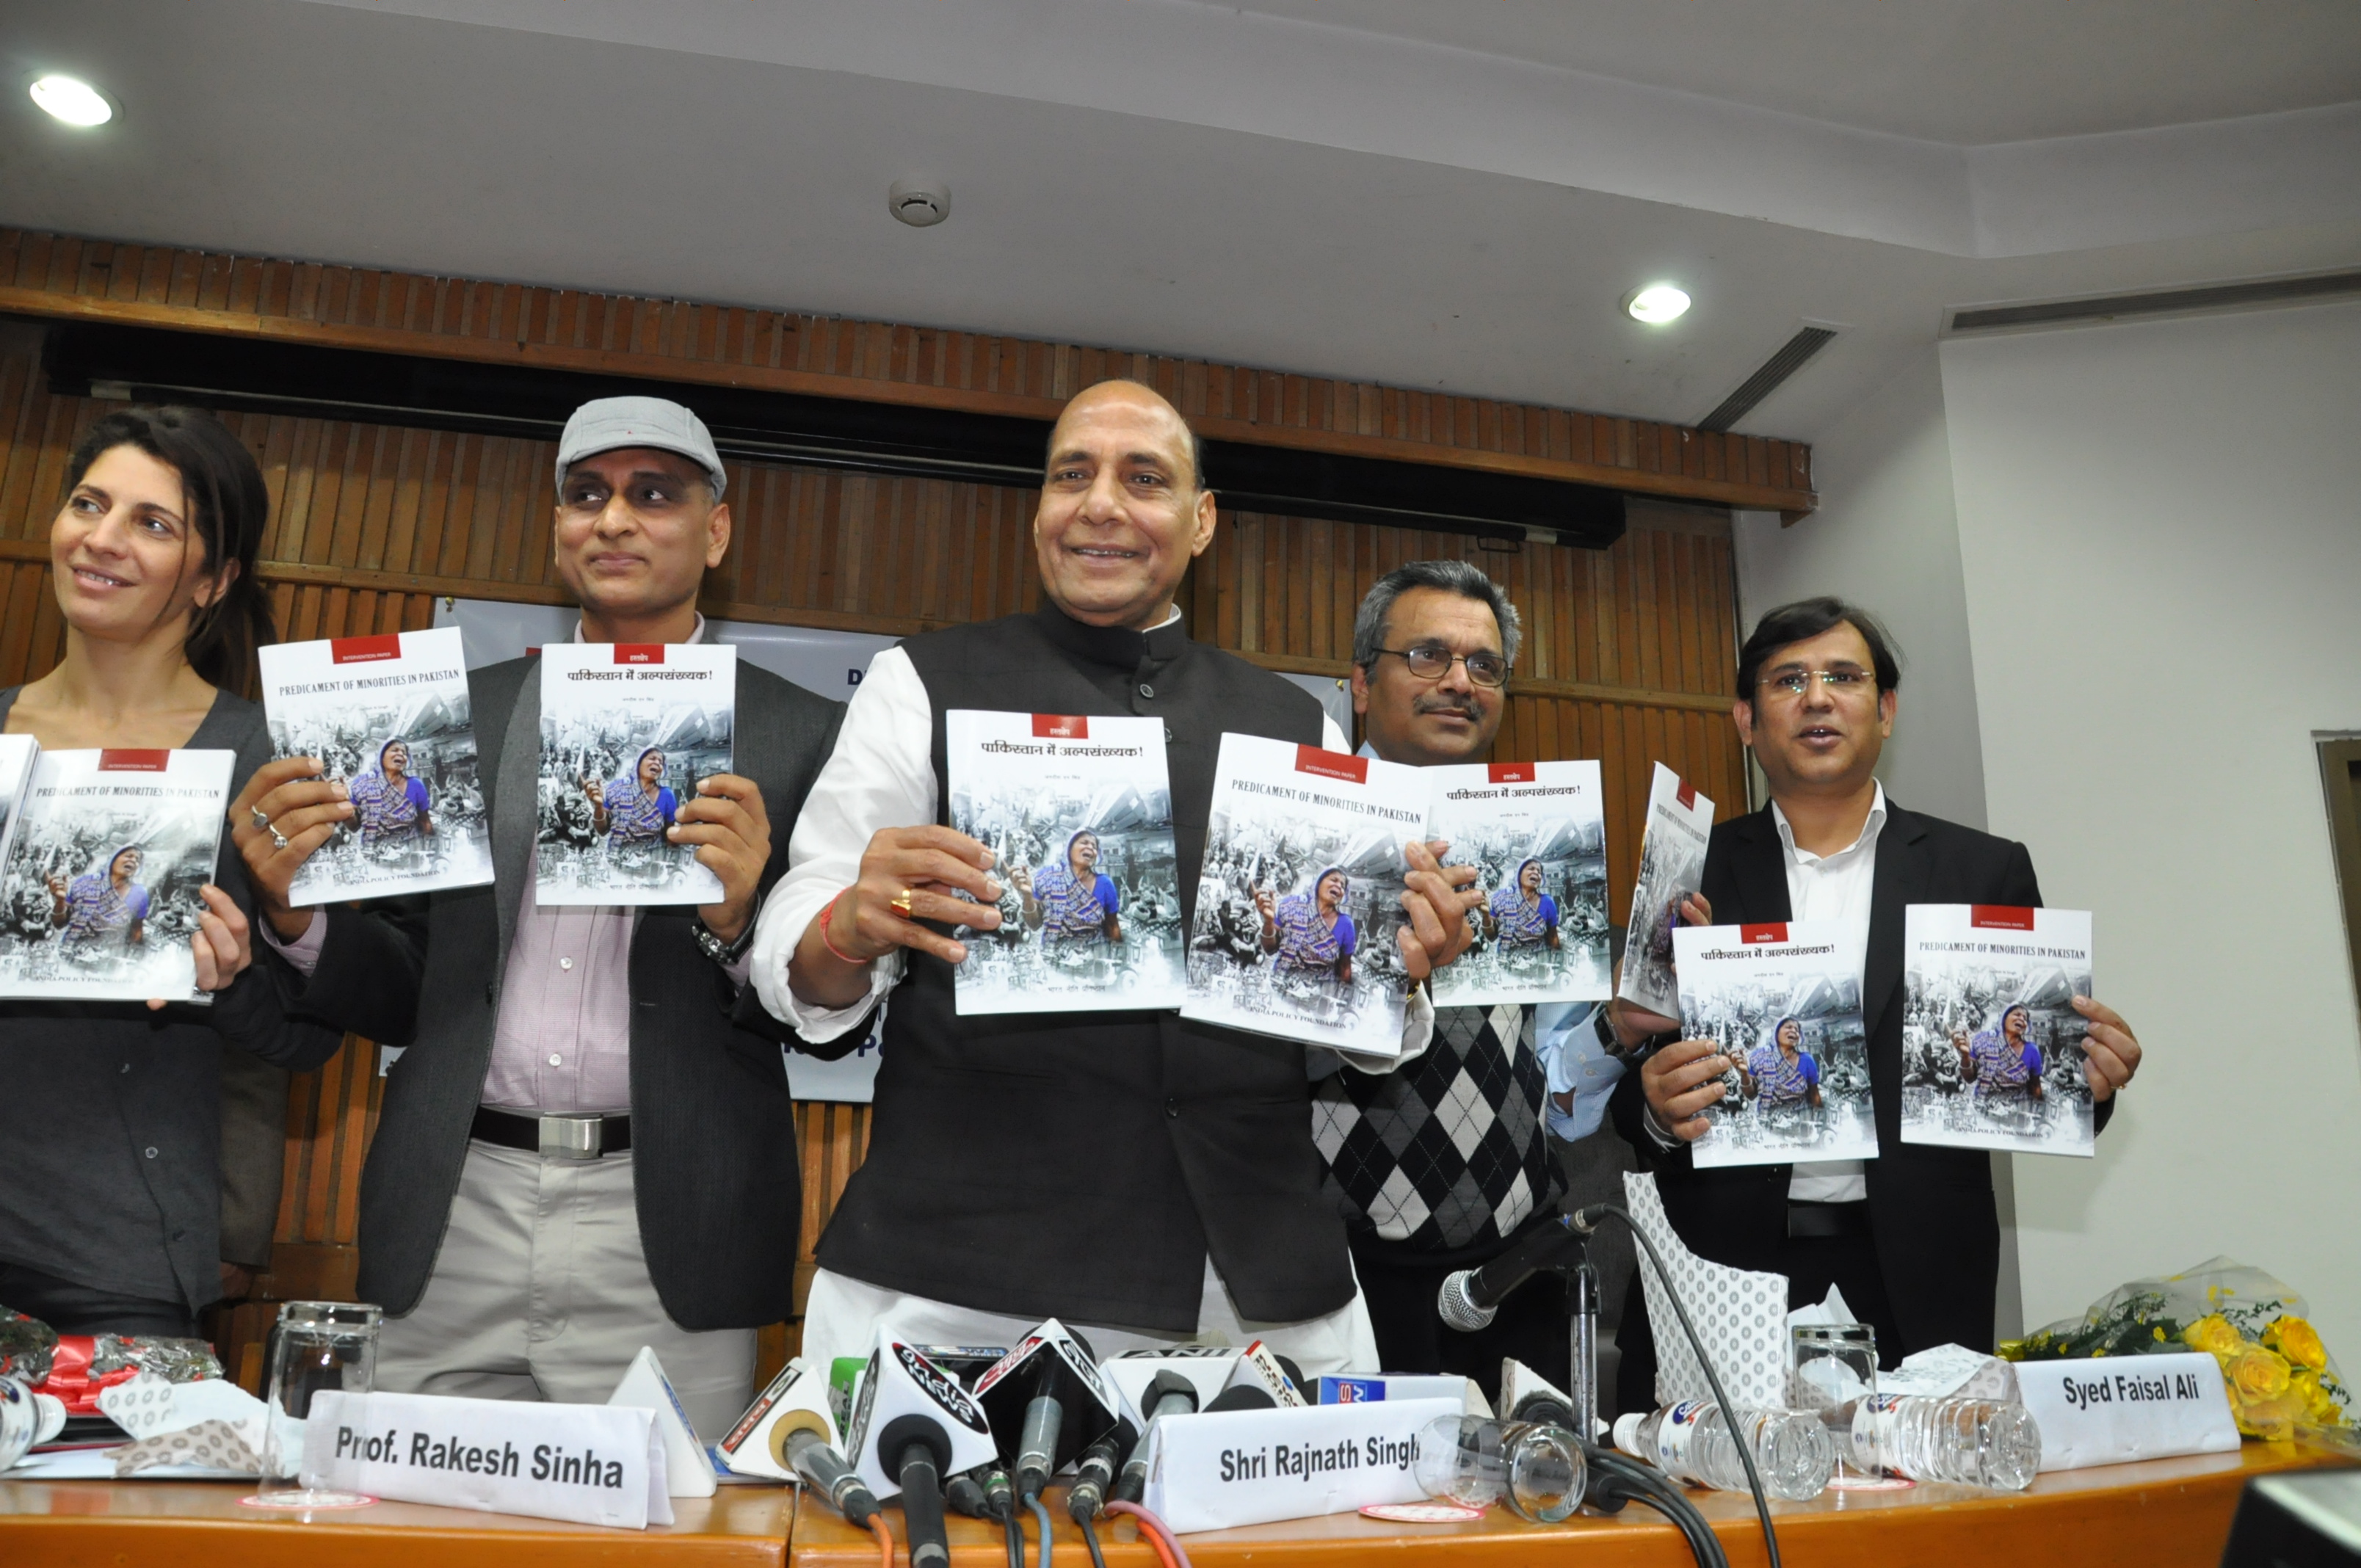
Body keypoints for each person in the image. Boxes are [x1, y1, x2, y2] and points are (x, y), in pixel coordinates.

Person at [752, 380, 1482, 1374]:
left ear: (1201, 519)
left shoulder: (1294, 723)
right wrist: (847, 924)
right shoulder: (919, 682)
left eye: (1144, 478)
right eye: (1071, 475)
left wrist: (1403, 972)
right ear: (1040, 510)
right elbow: (803, 948)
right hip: (960, 1278)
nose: (1100, 503)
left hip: (1259, 1291)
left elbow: (1351, 1030)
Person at [235, 396, 842, 1435]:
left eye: (653, 494)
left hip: (671, 1226)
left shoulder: (802, 732)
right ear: (558, 525)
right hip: (455, 1204)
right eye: (586, 494)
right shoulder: (459, 714)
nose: (613, 519)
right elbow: (404, 983)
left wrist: (743, 924)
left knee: (668, 1545)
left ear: (717, 530)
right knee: (409, 1526)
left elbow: (835, 1015)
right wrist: (298, 916)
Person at [1606, 597, 2145, 1403]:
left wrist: (2090, 1081)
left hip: (1919, 1275)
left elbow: (2038, 1086)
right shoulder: (1688, 869)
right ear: (1746, 721)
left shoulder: (1981, 871)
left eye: (1843, 677)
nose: (1817, 698)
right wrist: (1653, 1106)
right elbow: (1638, 1086)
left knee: (1922, 1511)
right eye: (1788, 680)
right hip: (1725, 1265)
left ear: (1885, 711)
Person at [0, 405, 341, 1336]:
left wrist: (230, 983)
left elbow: (312, 1039)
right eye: (88, 504)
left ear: (214, 580)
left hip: (119, 1253)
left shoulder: (265, 762)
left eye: (152, 524)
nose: (100, 540)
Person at [1308, 560, 1593, 1403]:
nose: (1460, 682)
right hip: (1342, 1280)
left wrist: (1623, 1026)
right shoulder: (1302, 828)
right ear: (1360, 684)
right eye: (1428, 656)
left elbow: (1560, 1076)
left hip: (1513, 1271)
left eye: (1485, 666)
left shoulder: (1538, 837)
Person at [1015, 829, 1120, 947]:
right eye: (1084, 842)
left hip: (1094, 957)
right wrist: (1028, 897)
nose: (1090, 847)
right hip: (1055, 957)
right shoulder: (1048, 877)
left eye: (1094, 846)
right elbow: (1034, 925)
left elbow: (1113, 926)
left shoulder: (1105, 884)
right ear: (1070, 849)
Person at [1261, 867, 1354, 984]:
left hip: (1319, 994)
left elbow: (1345, 967)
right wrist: (1268, 922)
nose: (1339, 886)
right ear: (1319, 882)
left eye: (1343, 885)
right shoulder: (1292, 905)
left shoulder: (1346, 924)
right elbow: (1269, 949)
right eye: (1334, 880)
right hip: (1281, 985)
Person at [50, 847, 150, 948]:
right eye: (128, 856)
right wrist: (60, 901)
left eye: (138, 860)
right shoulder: (84, 883)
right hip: (72, 952)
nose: (134, 860)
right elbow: (59, 924)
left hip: (109, 958)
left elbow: (136, 931)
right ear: (113, 858)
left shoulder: (140, 893)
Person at [352, 738, 432, 852]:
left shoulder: (416, 785)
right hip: (374, 852)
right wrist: (344, 805)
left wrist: (431, 848)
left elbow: (425, 821)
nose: (400, 754)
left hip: (410, 850)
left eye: (404, 753)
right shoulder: (364, 783)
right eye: (395, 750)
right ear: (382, 757)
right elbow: (353, 827)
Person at [590, 746, 674, 849]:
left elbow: (670, 836)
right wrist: (598, 806)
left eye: (661, 762)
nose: (657, 763)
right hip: (617, 858)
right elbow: (602, 830)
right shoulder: (617, 788)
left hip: (651, 859)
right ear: (639, 763)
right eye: (652, 758)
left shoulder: (667, 795)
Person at [1957, 1005, 2042, 1103]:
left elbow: (2036, 1087)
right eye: (2017, 1015)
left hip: (2017, 1111)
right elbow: (1969, 1078)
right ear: (2004, 1018)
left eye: (2025, 1018)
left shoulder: (2032, 1051)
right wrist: (1965, 1057)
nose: (2022, 1019)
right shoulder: (1984, 1040)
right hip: (1983, 1107)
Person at [1483, 858, 1560, 951]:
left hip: (1538, 962)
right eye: (1531, 869)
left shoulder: (1548, 902)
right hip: (1506, 962)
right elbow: (1491, 937)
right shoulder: (1503, 898)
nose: (1536, 872)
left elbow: (1553, 937)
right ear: (1520, 874)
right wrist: (1485, 915)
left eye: (1539, 871)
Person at [1742, 1017, 1821, 1108]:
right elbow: (1751, 1095)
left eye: (1797, 1030)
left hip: (1799, 1118)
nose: (1794, 1031)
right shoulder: (1760, 1057)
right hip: (1767, 1119)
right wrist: (1744, 1074)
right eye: (1789, 1027)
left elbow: (1815, 1095)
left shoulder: (1807, 1060)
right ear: (1777, 1032)